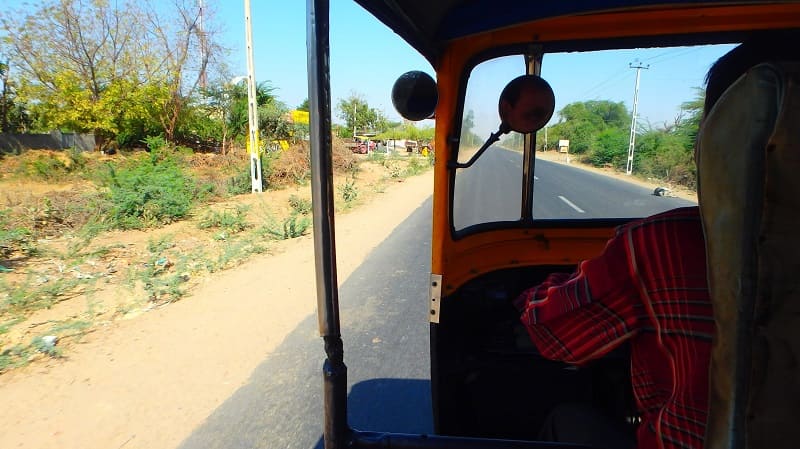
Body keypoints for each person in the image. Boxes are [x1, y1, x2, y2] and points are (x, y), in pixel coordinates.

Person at [512, 33, 800, 449]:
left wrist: (533, 298)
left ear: (719, 142)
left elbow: (555, 336)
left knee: (567, 420)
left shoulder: (663, 245)